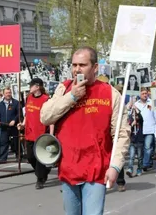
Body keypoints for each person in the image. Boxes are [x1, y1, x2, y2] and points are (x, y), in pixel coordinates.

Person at [40, 46, 130, 215]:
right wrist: (72, 96)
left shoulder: (110, 93)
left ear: (95, 67)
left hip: (96, 171)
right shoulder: (64, 88)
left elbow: (121, 134)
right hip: (69, 168)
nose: (76, 69)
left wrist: (115, 166)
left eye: (82, 65)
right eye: (74, 65)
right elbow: (45, 117)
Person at [18, 78, 54, 189]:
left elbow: (51, 117)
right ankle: (44, 171)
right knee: (30, 157)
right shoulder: (28, 98)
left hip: (41, 133)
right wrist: (23, 124)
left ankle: (40, 179)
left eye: (31, 85)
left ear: (37, 87)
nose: (29, 87)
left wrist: (51, 135)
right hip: (29, 132)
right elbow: (27, 114)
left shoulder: (46, 99)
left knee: (39, 158)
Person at [0, 87, 21, 163]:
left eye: (9, 93)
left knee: (16, 142)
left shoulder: (16, 103)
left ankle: (19, 156)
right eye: (6, 93)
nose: (8, 94)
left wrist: (14, 120)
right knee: (4, 142)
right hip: (4, 126)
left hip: (14, 126)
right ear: (3, 94)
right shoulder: (1, 104)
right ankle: (2, 158)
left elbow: (19, 113)